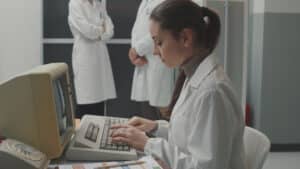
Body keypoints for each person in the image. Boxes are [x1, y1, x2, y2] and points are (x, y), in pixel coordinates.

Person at [111, 0, 246, 169]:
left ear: (185, 38)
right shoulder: (194, 75)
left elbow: (206, 167)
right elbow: (188, 134)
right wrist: (154, 127)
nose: (154, 51)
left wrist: (148, 144)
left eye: (159, 42)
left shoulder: (211, 91)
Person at [68, 0, 116, 118]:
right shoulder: (75, 4)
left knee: (100, 101)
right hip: (85, 56)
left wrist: (102, 32)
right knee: (86, 101)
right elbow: (87, 31)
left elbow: (110, 30)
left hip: (100, 56)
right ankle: (80, 134)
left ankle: (99, 133)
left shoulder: (98, 4)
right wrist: (102, 29)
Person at [129, 0, 175, 118]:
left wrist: (138, 49)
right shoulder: (145, 2)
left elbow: (161, 30)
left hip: (159, 61)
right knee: (147, 112)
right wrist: (136, 51)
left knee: (162, 112)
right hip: (143, 60)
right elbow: (136, 29)